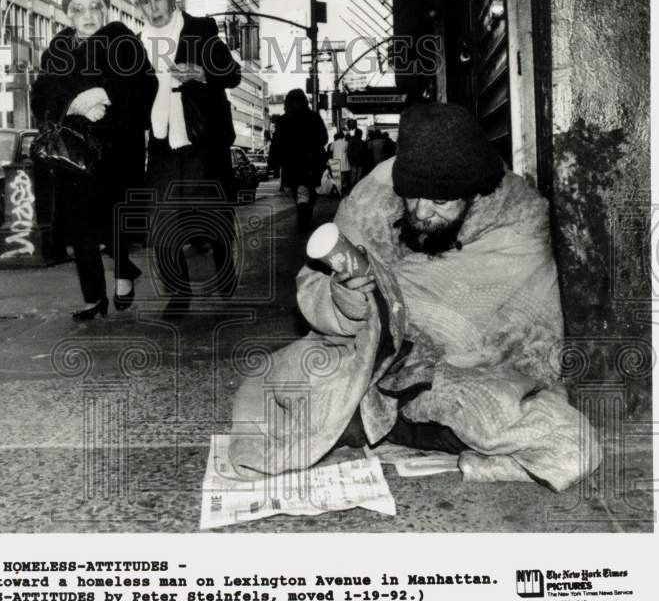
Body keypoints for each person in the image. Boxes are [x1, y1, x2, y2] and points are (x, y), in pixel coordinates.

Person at [229, 103, 601, 492]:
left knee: (570, 441)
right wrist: (346, 301)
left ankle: (382, 425)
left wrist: (411, 311)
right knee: (281, 381)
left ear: (474, 194)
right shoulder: (375, 194)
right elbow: (315, 286)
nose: (422, 212)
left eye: (441, 202)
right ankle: (376, 420)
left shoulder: (517, 215)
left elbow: (519, 333)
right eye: (413, 196)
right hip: (377, 366)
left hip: (477, 374)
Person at [31, 0, 157, 321]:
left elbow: (146, 84)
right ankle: (93, 298)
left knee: (112, 220)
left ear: (106, 10)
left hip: (115, 147)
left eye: (94, 6)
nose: (87, 14)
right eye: (78, 9)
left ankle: (123, 273)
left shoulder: (122, 39)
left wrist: (105, 94)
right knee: (79, 227)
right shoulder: (58, 48)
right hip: (73, 150)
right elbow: (41, 94)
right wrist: (75, 104)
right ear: (68, 15)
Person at [131, 0, 241, 317]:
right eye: (144, 1)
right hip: (162, 141)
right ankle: (179, 294)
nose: (153, 7)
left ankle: (224, 270)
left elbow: (233, 74)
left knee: (214, 217)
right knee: (161, 223)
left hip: (202, 138)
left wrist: (202, 73)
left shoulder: (201, 31)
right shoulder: (135, 44)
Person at [270, 89, 329, 234]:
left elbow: (276, 143)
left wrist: (273, 163)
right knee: (309, 191)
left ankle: (302, 212)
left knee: (298, 192)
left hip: (291, 165)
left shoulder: (283, 120)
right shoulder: (314, 117)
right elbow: (324, 138)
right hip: (311, 162)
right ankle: (305, 213)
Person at [346, 122, 370, 187]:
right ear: (360, 134)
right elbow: (364, 152)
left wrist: (349, 158)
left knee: (353, 173)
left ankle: (352, 185)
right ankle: (357, 185)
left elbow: (349, 151)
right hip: (360, 160)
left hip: (353, 160)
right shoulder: (361, 142)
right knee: (359, 173)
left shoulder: (351, 140)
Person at [330, 130, 349, 196]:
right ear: (343, 136)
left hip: (335, 160)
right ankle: (341, 189)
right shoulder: (346, 143)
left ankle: (337, 190)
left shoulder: (334, 143)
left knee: (336, 177)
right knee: (343, 175)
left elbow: (331, 150)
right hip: (343, 161)